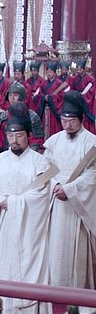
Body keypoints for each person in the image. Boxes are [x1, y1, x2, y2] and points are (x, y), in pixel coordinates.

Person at [0, 103, 54, 314]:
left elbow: (41, 195)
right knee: (0, 269)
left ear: (28, 136)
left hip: (28, 227)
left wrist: (13, 202)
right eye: (11, 136)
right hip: (1, 224)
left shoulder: (40, 162)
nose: (14, 140)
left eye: (19, 135)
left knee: (29, 267)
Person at [43, 90, 96, 289]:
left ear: (80, 119)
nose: (67, 125)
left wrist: (71, 189)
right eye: (64, 121)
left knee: (78, 252)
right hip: (57, 202)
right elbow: (46, 168)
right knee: (55, 250)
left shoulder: (91, 142)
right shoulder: (54, 141)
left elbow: (93, 174)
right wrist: (56, 185)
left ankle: (79, 295)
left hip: (79, 205)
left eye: (72, 121)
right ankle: (53, 293)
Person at [0, 82, 44, 153]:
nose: (12, 98)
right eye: (10, 95)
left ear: (22, 97)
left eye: (15, 95)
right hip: (7, 153)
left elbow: (36, 141)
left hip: (27, 153)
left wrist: (30, 155)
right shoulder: (3, 117)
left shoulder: (32, 117)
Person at [40, 61, 66, 138]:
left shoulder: (59, 83)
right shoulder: (44, 83)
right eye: (47, 72)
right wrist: (43, 97)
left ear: (54, 73)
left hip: (54, 110)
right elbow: (40, 93)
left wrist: (51, 98)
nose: (48, 74)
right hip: (45, 108)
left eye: (50, 72)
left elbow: (61, 96)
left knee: (54, 128)